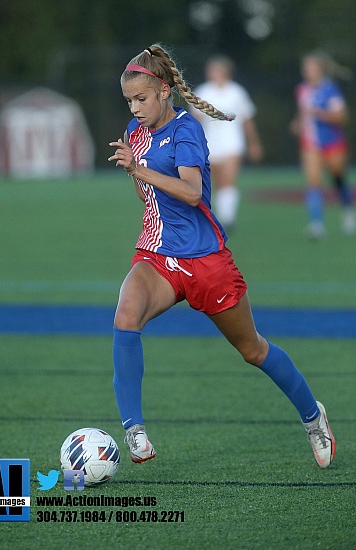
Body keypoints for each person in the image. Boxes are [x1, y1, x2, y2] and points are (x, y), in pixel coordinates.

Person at [108, 44, 335, 469]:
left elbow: (192, 193)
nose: (135, 108)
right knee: (125, 316)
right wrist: (135, 170)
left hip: (206, 262)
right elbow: (151, 197)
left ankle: (312, 415)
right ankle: (134, 430)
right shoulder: (134, 134)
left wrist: (139, 170)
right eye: (129, 101)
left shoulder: (187, 129)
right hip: (157, 255)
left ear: (163, 92)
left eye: (141, 99)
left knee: (252, 349)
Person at [190, 55, 263, 232]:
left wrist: (254, 143)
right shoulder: (203, 91)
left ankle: (227, 219)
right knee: (217, 180)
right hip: (210, 142)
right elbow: (195, 120)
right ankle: (218, 217)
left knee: (229, 178)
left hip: (232, 140)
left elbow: (246, 120)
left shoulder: (237, 92)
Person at [291, 50, 355, 239]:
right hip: (310, 143)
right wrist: (297, 123)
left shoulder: (330, 90)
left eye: (311, 67)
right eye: (306, 67)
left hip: (333, 142)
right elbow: (303, 113)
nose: (307, 71)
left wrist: (318, 113)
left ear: (321, 70)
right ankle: (316, 225)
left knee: (338, 177)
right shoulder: (301, 89)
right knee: (313, 182)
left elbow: (341, 117)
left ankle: (348, 209)